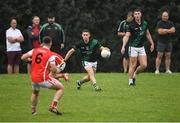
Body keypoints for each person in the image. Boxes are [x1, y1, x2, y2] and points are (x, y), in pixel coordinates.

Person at [21, 36, 64, 115]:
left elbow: (23, 57)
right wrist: (58, 70)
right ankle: (53, 107)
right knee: (61, 87)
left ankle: (33, 111)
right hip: (43, 78)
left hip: (33, 77)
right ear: (50, 43)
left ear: (43, 43)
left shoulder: (34, 50)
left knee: (35, 93)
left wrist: (30, 60)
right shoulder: (50, 54)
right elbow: (53, 70)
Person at [121, 8, 154, 86]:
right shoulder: (131, 25)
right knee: (133, 65)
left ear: (141, 14)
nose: (137, 15)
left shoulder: (145, 23)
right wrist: (123, 46)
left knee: (144, 65)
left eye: (138, 13)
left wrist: (152, 43)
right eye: (135, 14)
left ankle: (135, 74)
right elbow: (126, 36)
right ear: (134, 15)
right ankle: (130, 81)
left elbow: (147, 34)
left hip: (141, 47)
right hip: (133, 47)